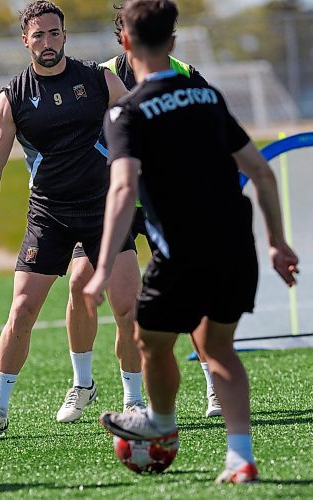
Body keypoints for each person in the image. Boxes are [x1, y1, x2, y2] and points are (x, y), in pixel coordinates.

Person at [83, 0, 299, 484]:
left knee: (149, 341)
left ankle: (160, 423)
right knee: (218, 347)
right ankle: (239, 457)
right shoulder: (208, 97)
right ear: (174, 43)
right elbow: (261, 172)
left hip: (183, 252)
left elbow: (121, 188)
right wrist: (277, 243)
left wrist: (100, 270)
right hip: (236, 245)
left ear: (125, 43)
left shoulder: (126, 111)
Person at [0, 0, 137, 440]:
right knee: (21, 310)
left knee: (125, 308)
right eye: (38, 35)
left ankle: (133, 402)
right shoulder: (12, 98)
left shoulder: (98, 79)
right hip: (50, 215)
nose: (48, 42)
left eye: (54, 33)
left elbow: (139, 120)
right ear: (25, 40)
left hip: (104, 212)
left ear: (65, 35)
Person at [60, 2, 221, 422]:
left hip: (168, 203)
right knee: (82, 282)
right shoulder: (102, 76)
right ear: (123, 34)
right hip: (111, 202)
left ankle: (212, 385)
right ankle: (86, 385)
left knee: (187, 291)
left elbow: (213, 136)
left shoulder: (186, 76)